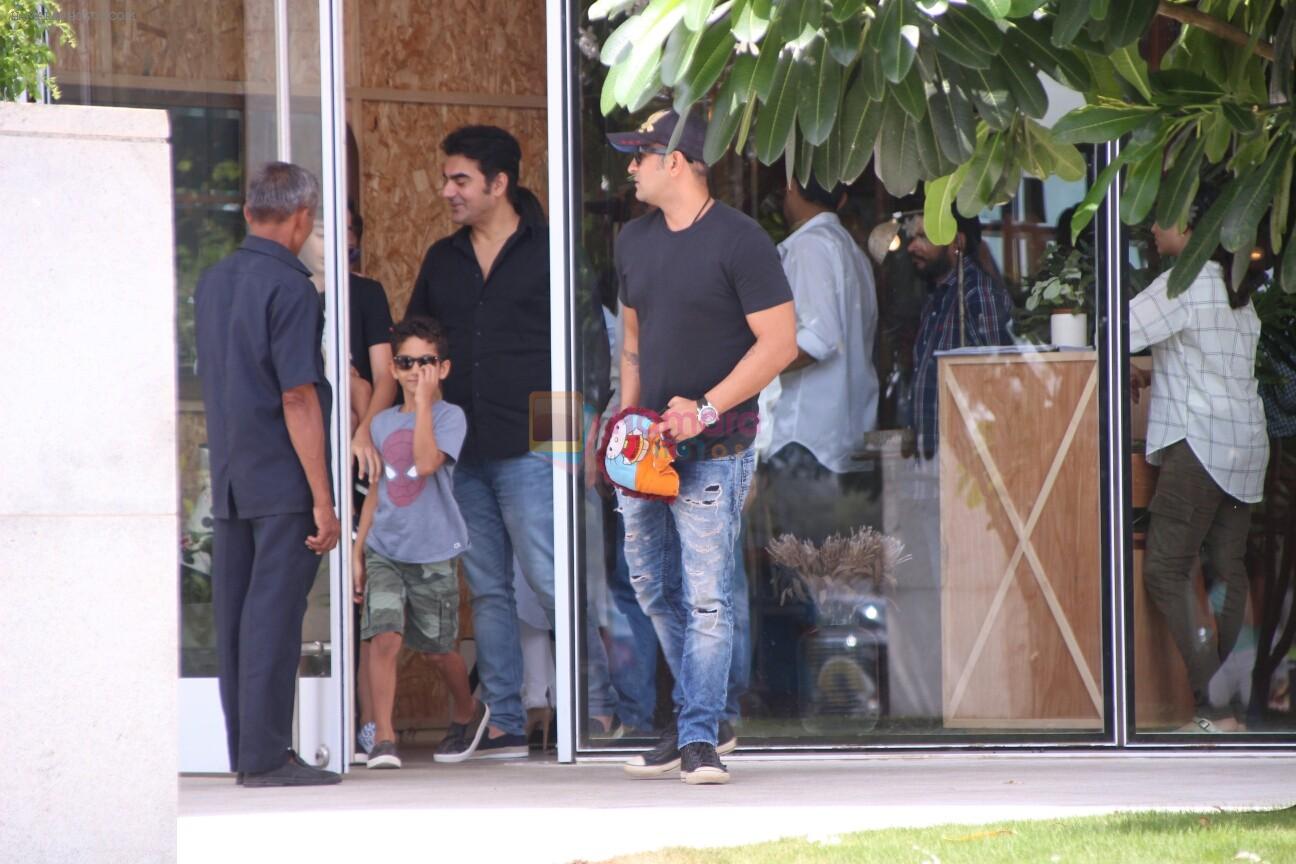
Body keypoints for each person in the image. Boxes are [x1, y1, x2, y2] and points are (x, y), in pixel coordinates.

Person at [405, 125, 619, 755]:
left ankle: (595, 709)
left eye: (460, 179)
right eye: (447, 178)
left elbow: (589, 349)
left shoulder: (552, 252)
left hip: (536, 443)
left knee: (552, 579)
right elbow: (420, 343)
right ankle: (501, 720)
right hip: (464, 448)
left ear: (500, 185)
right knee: (489, 588)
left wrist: (580, 439)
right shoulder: (443, 259)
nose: (447, 190)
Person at [607, 108, 797, 784]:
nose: (629, 166)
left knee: (709, 597)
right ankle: (701, 717)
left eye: (640, 154)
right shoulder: (632, 240)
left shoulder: (741, 240)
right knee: (654, 590)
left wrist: (707, 408)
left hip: (718, 447)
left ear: (678, 161)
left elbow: (780, 345)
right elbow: (632, 345)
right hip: (648, 452)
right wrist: (627, 423)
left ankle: (695, 737)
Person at [195, 161, 341, 787]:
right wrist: (323, 498)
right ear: (302, 217)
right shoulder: (291, 288)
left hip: (231, 475)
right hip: (284, 480)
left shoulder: (213, 280)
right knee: (275, 618)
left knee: (238, 620)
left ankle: (245, 752)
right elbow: (298, 398)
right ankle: (267, 757)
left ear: (251, 210)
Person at [1130, 189, 1269, 733]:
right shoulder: (1238, 287)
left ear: (1187, 227)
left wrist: (1133, 365)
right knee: (1227, 572)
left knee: (1165, 568)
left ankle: (1214, 707)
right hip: (1245, 442)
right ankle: (1226, 703)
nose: (1151, 228)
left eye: (1160, 218)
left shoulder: (1182, 282)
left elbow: (1115, 330)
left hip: (1201, 442)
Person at [351, 316, 489, 768]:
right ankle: (385, 739)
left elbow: (427, 462)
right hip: (386, 548)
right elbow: (377, 490)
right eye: (406, 362)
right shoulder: (383, 423)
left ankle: (468, 710)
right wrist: (358, 549)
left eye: (426, 362)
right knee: (384, 636)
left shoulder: (451, 417)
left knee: (437, 650)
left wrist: (426, 403)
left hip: (433, 552)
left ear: (443, 369)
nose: (415, 371)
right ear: (393, 368)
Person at [759, 176, 879, 542]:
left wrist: (754, 368)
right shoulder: (851, 250)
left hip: (804, 439)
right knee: (829, 571)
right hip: (839, 434)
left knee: (801, 573)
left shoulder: (810, 247)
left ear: (791, 187)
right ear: (841, 199)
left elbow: (816, 339)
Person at [344, 199, 397, 763]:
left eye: (350, 229)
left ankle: (366, 722)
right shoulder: (292, 290)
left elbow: (384, 377)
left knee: (361, 588)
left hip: (355, 449)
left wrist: (364, 430)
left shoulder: (367, 293)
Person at [906, 210, 1013, 458]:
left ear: (957, 243)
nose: (912, 246)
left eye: (924, 236)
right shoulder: (939, 296)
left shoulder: (978, 292)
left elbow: (999, 377)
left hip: (966, 460)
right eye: (912, 236)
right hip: (937, 458)